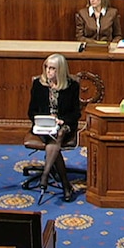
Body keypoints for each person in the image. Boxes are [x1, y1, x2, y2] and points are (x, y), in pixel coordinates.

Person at [27, 53, 80, 203]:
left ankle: (46, 174)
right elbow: (31, 111)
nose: (48, 71)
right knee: (54, 138)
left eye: (52, 69)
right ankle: (65, 185)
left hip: (64, 124)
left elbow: (76, 113)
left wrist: (62, 120)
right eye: (47, 68)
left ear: (61, 70)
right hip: (44, 125)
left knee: (59, 134)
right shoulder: (39, 84)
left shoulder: (71, 86)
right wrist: (44, 119)